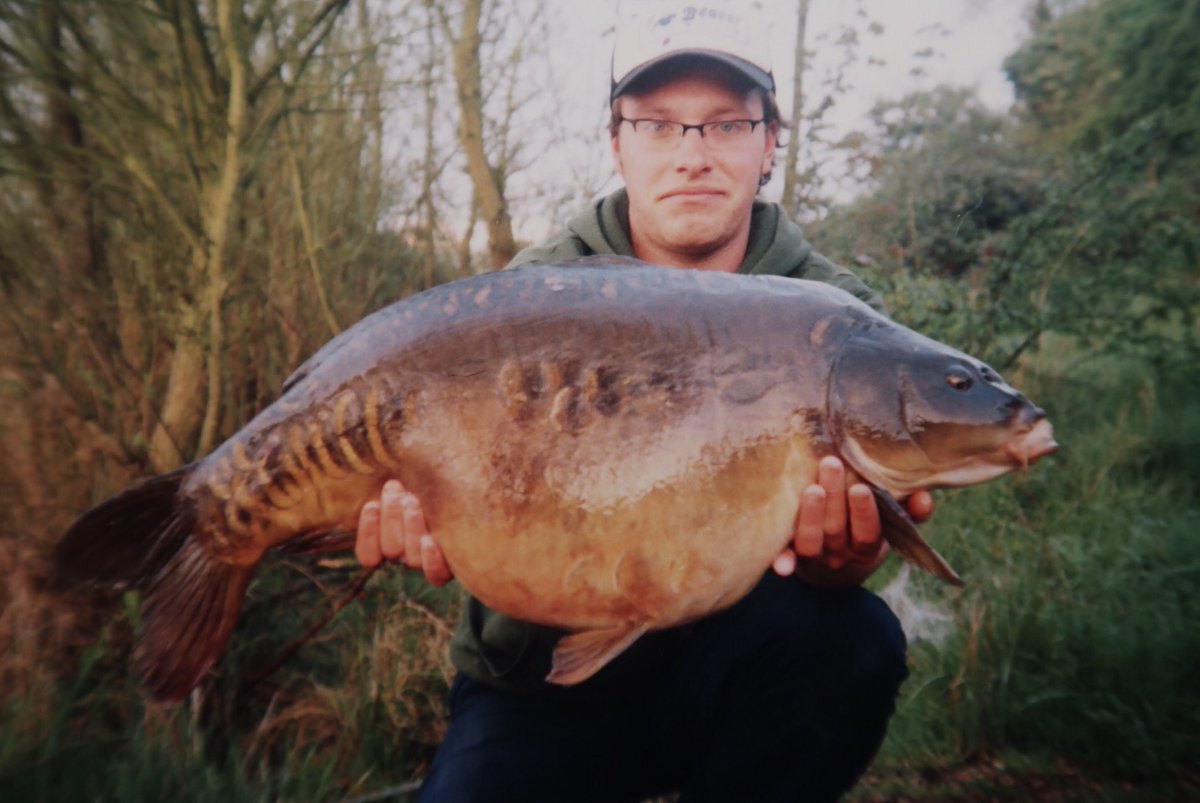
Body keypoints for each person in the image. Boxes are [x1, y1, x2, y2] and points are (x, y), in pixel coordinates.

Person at [356, 3, 933, 800]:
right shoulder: (527, 300)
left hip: (737, 666)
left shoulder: (836, 318)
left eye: (726, 124)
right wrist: (418, 505)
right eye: (659, 124)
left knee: (855, 640)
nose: (692, 155)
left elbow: (867, 528)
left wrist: (847, 562)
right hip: (539, 679)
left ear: (770, 141)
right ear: (617, 142)